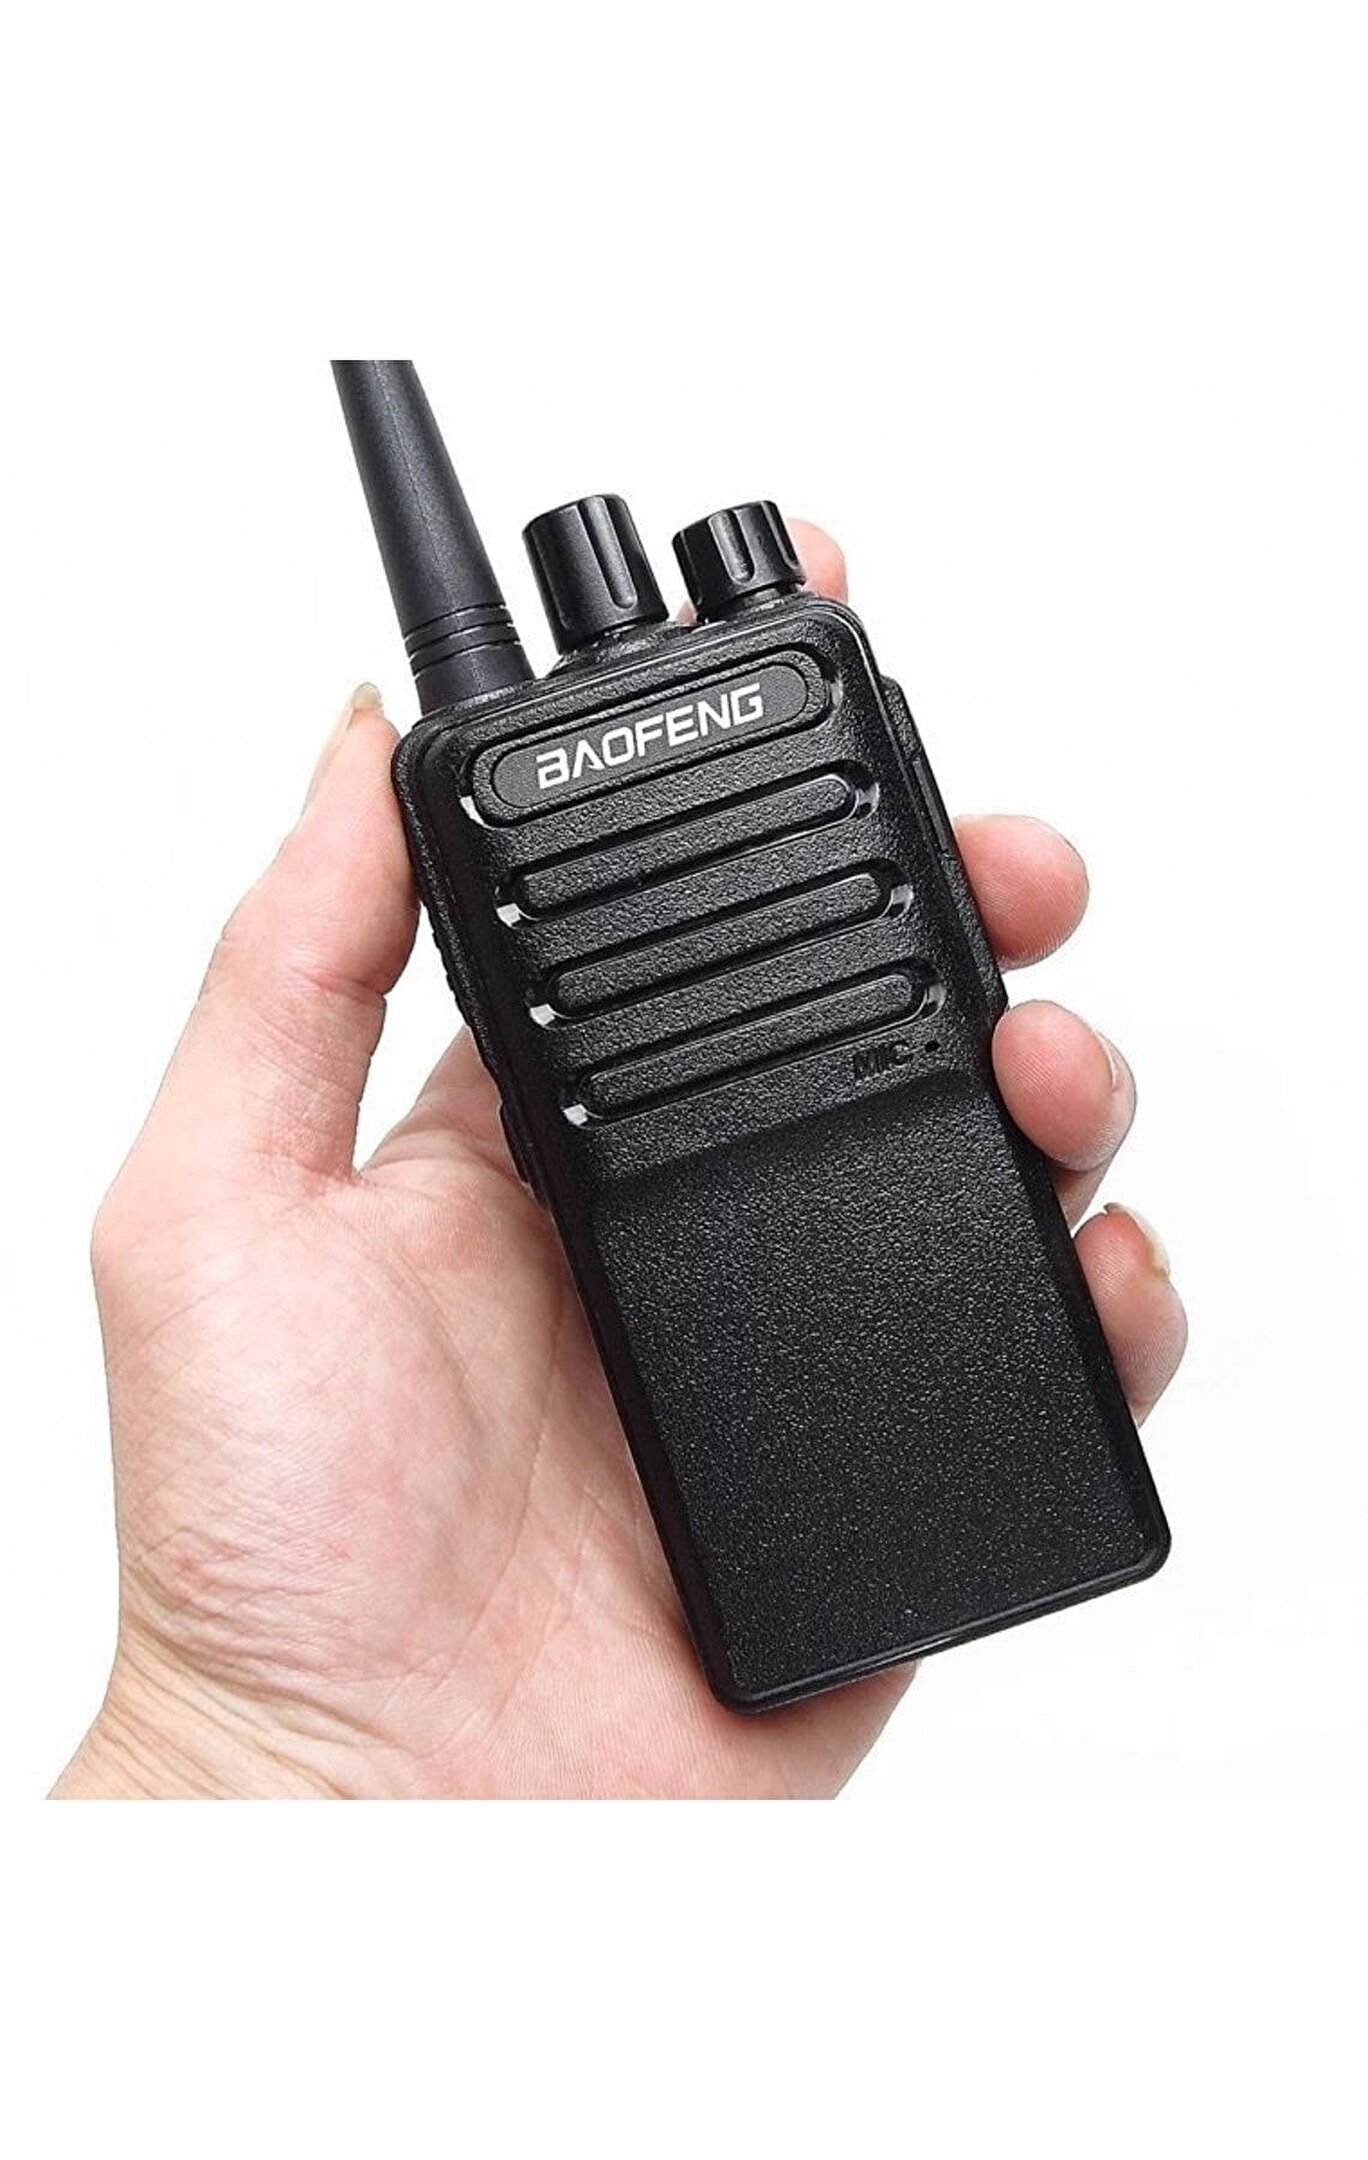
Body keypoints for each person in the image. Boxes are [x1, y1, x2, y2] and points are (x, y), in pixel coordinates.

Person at [51, 525, 1187, 1799]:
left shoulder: (596, 739)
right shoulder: (743, 690)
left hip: (875, 1102)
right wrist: (253, 1751)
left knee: (1036, 1045)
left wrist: (251, 1767)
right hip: (666, 1167)